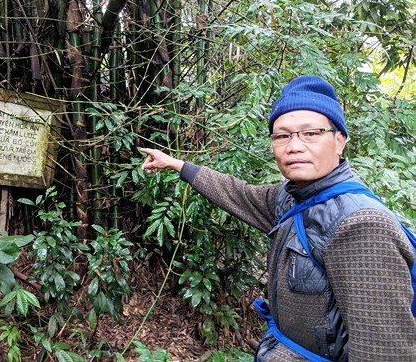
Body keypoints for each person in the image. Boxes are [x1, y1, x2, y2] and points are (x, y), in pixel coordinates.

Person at [140, 75, 415, 361]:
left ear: (339, 141)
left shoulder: (362, 225)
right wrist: (178, 165)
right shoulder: (292, 196)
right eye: (282, 135)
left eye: (311, 133)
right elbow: (238, 193)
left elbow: (385, 350)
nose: (294, 146)